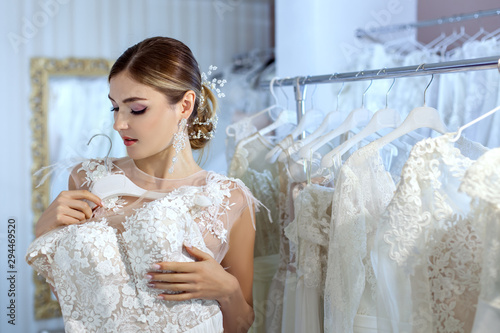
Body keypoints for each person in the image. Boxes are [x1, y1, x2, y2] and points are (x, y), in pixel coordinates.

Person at [26, 36, 257, 332]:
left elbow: (241, 325)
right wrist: (45, 232)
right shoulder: (87, 178)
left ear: (185, 105)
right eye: (115, 108)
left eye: (136, 109)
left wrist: (228, 290)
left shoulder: (230, 198)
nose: (119, 124)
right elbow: (74, 301)